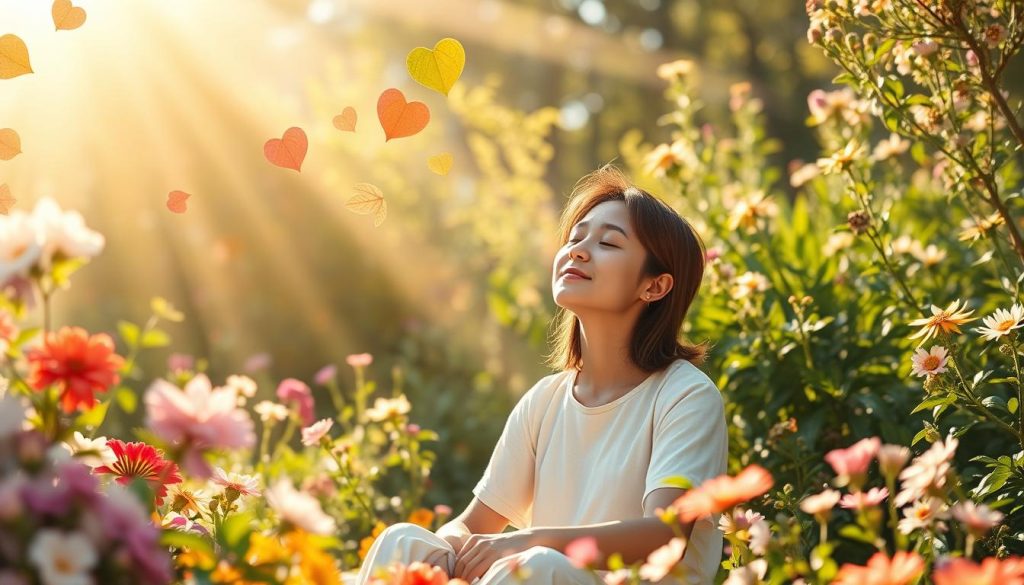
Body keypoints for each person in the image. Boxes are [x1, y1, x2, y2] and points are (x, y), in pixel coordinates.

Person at [356, 165, 728, 584]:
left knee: (537, 567)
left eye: (607, 243)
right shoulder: (545, 400)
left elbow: (664, 533)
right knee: (406, 542)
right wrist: (448, 552)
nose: (579, 251)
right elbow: (472, 524)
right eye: (574, 238)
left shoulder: (685, 395)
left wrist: (527, 542)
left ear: (655, 287)